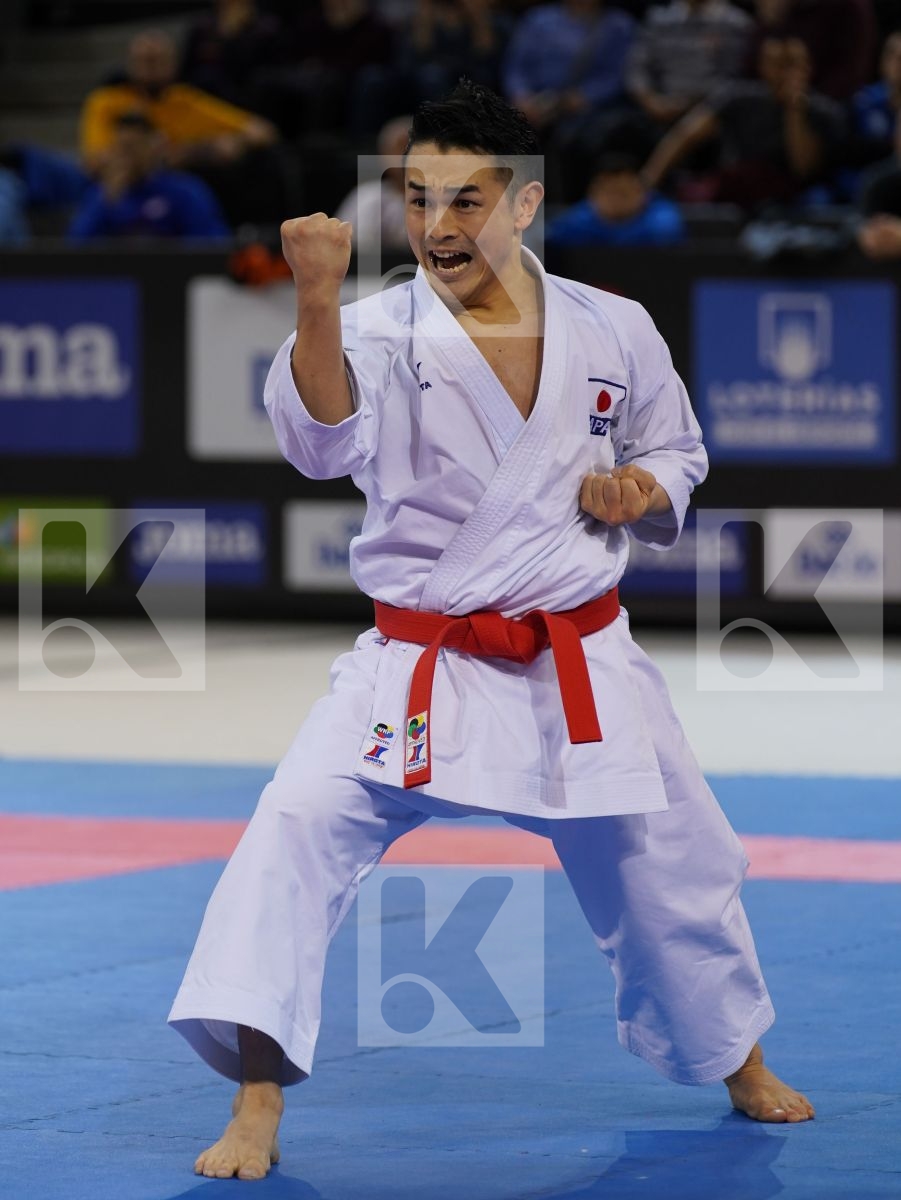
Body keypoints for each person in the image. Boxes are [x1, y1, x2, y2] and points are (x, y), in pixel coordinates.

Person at [168, 81, 814, 1182]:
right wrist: (314, 299)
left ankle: (735, 1057)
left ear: (523, 207)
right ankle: (259, 1099)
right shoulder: (374, 326)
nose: (437, 227)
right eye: (417, 200)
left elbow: (679, 450)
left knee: (674, 864)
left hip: (577, 661)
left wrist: (641, 493)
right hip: (418, 665)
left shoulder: (615, 325)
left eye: (466, 201)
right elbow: (321, 445)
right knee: (292, 829)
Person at [642, 37, 845, 209]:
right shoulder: (737, 98)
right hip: (737, 187)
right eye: (777, 64)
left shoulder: (824, 111)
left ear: (807, 67)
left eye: (792, 64)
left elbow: (803, 168)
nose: (784, 73)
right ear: (762, 66)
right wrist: (648, 181)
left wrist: (794, 109)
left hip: (794, 197)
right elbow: (685, 135)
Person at [79, 29, 276, 174]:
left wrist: (206, 148)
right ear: (130, 65)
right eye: (143, 60)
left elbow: (262, 131)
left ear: (173, 64)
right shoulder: (106, 102)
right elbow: (94, 161)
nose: (150, 68)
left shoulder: (184, 100)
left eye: (156, 60)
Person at [68, 111, 229, 241]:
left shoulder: (185, 190)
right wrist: (106, 200)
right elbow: (77, 246)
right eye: (121, 147)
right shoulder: (101, 194)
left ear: (154, 147)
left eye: (133, 147)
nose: (126, 155)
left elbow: (211, 242)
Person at [626, 0, 754, 134]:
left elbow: (733, 80)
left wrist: (688, 104)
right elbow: (637, 68)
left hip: (711, 114)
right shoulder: (658, 20)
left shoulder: (736, 24)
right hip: (659, 109)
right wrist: (651, 101)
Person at [546, 151, 684, 245]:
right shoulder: (577, 220)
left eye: (623, 193)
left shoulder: (660, 217)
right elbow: (553, 235)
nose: (616, 201)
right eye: (609, 193)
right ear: (592, 193)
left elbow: (665, 231)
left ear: (641, 191)